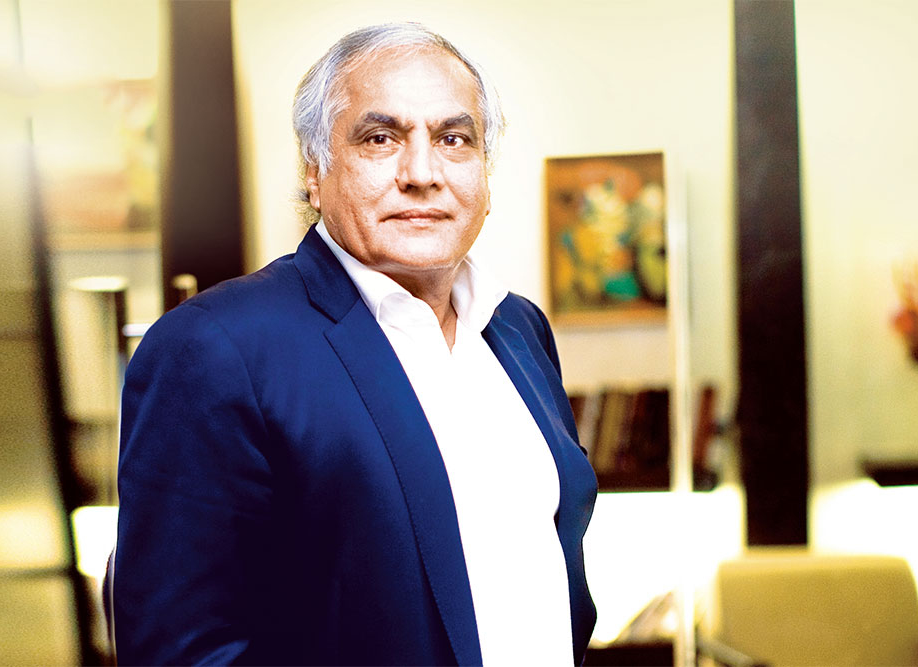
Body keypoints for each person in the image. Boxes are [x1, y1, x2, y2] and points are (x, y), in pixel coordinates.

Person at [112, 22, 597, 666]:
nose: (422, 173)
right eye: (380, 138)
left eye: (453, 139)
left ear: (485, 171)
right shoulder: (213, 349)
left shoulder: (517, 328)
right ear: (314, 172)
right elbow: (182, 652)